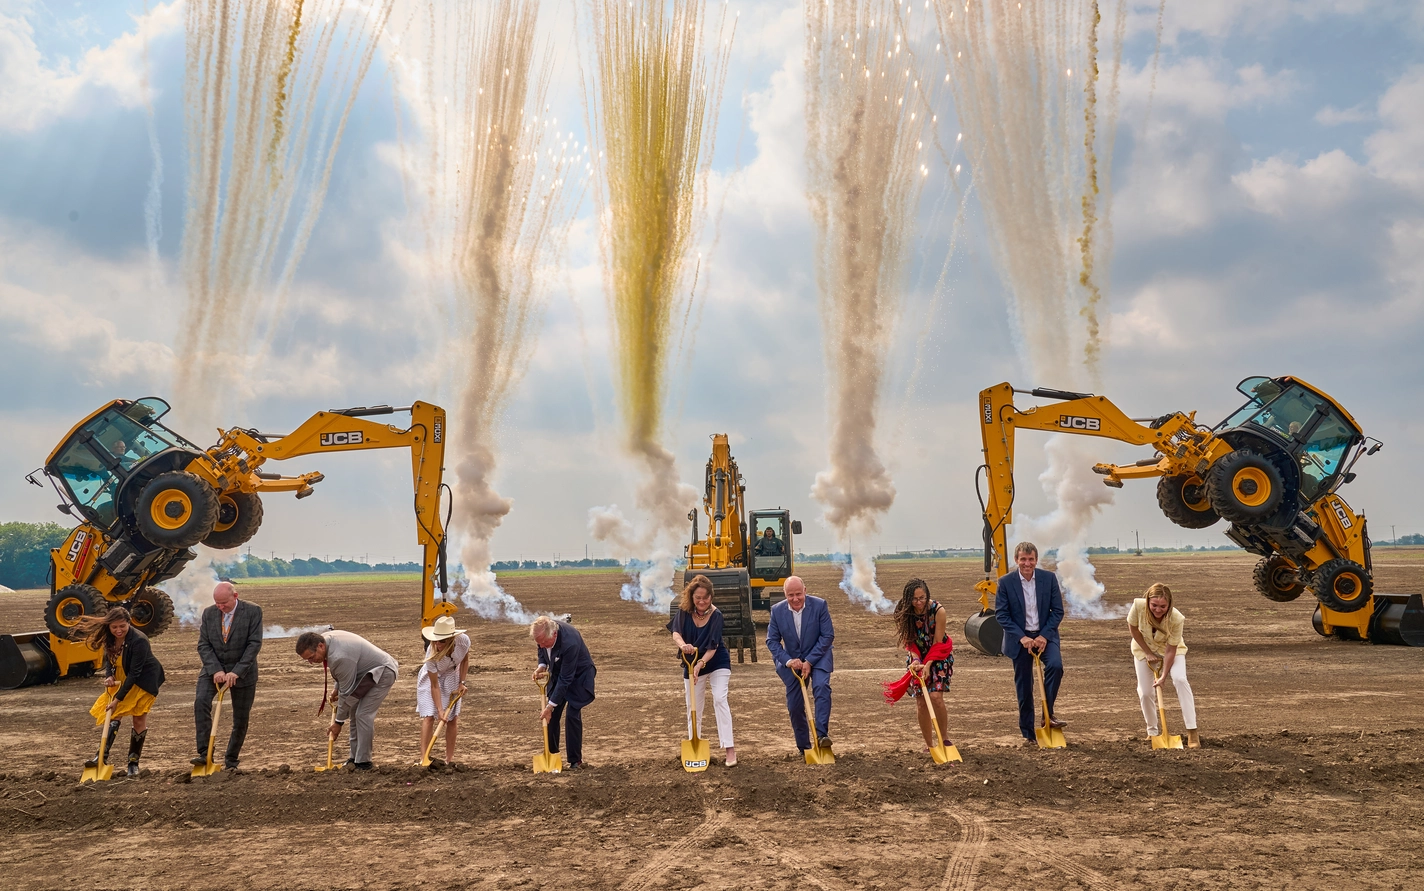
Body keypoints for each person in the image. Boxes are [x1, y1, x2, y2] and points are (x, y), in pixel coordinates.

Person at [76, 607, 166, 778]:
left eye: (122, 626)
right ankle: (100, 757)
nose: (118, 630)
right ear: (109, 626)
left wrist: (118, 698)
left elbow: (135, 673)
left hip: (142, 681)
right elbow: (110, 659)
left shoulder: (139, 641)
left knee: (138, 718)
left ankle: (133, 763)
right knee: (113, 715)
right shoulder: (109, 637)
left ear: (128, 623)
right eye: (114, 627)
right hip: (121, 676)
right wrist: (109, 675)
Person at [994, 541, 1066, 744]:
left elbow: (1057, 611)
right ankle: (1028, 733)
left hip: (1045, 635)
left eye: (1031, 559)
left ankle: (1047, 714)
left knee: (1056, 666)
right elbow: (1002, 614)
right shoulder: (1006, 582)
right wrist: (1022, 637)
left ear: (1036, 560)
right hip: (1020, 639)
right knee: (1025, 686)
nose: (1027, 563)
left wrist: (1043, 635)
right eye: (1023, 559)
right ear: (1016, 560)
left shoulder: (1048, 579)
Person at [296, 629, 399, 770]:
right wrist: (336, 688)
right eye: (307, 659)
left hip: (383, 672)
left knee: (363, 715)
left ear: (320, 646)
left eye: (311, 657)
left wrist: (338, 723)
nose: (311, 662)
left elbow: (346, 693)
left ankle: (364, 762)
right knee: (353, 713)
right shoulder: (325, 640)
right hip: (362, 674)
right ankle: (354, 759)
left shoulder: (340, 656)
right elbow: (343, 674)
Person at [667, 574, 736, 767]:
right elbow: (676, 632)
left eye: (705, 597)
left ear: (711, 597)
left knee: (720, 698)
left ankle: (729, 749)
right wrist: (683, 646)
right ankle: (694, 744)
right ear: (692, 597)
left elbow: (712, 648)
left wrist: (699, 665)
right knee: (693, 706)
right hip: (690, 661)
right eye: (698, 597)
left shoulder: (716, 616)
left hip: (715, 661)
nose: (702, 601)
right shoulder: (683, 611)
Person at [193, 581, 263, 770]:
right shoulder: (209, 613)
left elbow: (254, 645)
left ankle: (231, 760)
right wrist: (216, 669)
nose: (220, 607)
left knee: (240, 718)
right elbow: (203, 645)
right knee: (200, 702)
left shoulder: (253, 611)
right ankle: (204, 753)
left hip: (243, 672)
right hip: (213, 669)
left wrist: (237, 672)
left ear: (235, 596)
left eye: (224, 603)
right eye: (217, 603)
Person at [765, 575, 834, 753]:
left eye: (798, 594)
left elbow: (827, 636)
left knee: (821, 687)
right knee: (795, 705)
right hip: (792, 662)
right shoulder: (777, 611)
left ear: (805, 591)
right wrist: (788, 661)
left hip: (818, 656)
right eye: (790, 595)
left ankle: (821, 736)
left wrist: (809, 660)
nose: (795, 599)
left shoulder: (819, 605)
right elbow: (771, 641)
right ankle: (804, 747)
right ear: (784, 594)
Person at [1128, 583, 1199, 748]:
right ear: (1147, 602)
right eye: (1154, 605)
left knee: (1180, 679)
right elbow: (1134, 630)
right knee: (1145, 692)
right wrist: (1147, 653)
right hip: (1143, 649)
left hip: (1170, 649)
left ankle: (1192, 731)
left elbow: (1170, 650)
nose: (1158, 610)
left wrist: (1163, 676)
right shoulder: (1138, 606)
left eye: (1163, 606)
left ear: (1169, 604)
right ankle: (1152, 732)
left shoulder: (1177, 618)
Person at [893, 578, 954, 750]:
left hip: (938, 654)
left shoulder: (938, 611)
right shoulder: (904, 611)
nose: (919, 602)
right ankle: (929, 745)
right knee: (921, 702)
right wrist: (916, 661)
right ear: (908, 599)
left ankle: (945, 739)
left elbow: (938, 641)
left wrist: (928, 665)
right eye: (915, 599)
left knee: (935, 697)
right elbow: (909, 641)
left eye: (922, 598)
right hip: (916, 656)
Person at [531, 616, 596, 769]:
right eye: (538, 642)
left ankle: (575, 760)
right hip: (560, 672)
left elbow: (566, 679)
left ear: (554, 634)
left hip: (579, 675)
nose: (541, 645)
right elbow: (542, 648)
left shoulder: (570, 643)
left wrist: (550, 706)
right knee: (551, 717)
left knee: (572, 715)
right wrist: (542, 665)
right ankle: (552, 755)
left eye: (544, 642)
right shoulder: (543, 634)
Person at [416, 615, 470, 764]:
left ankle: (449, 760)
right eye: (435, 640)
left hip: (453, 675)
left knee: (452, 719)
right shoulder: (431, 655)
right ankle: (424, 758)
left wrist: (462, 682)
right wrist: (440, 709)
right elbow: (434, 686)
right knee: (429, 716)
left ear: (452, 639)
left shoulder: (463, 641)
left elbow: (465, 661)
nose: (438, 644)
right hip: (432, 679)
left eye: (442, 641)